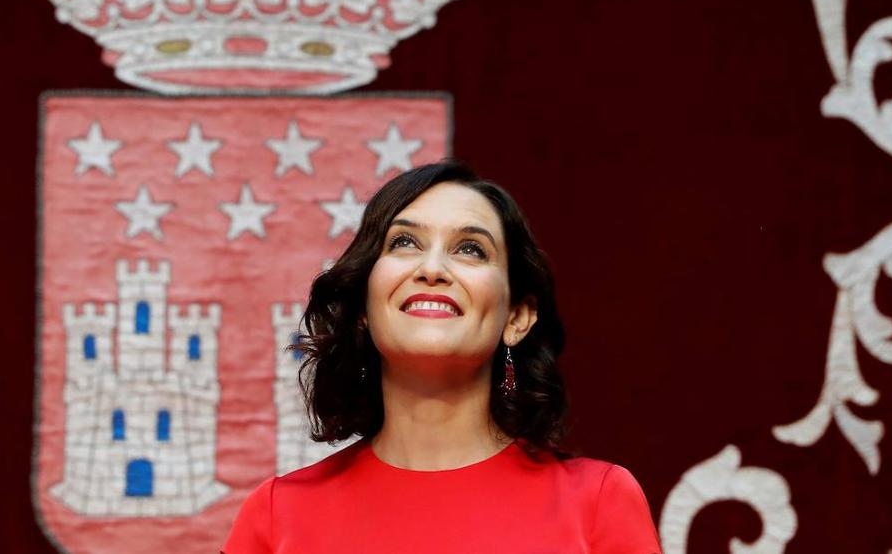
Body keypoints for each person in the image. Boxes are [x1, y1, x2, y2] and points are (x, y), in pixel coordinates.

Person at [223, 160, 660, 553]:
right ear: (361, 308)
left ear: (518, 316)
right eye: (404, 243)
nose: (432, 269)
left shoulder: (598, 501)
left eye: (470, 249)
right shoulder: (277, 513)